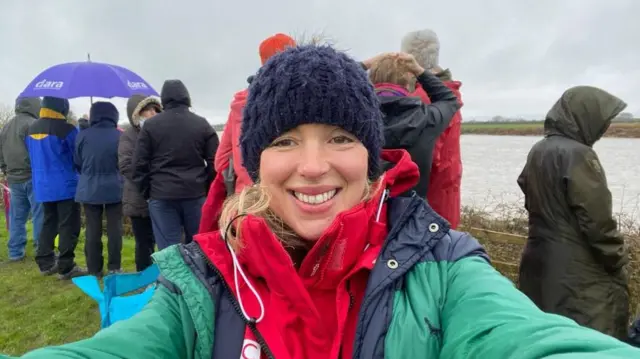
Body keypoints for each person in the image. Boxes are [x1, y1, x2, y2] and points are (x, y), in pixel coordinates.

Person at [9, 44, 640, 359]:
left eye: (339, 137)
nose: (313, 165)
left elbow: (533, 339)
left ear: (371, 156)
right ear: (255, 165)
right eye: (285, 140)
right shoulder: (203, 287)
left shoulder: (443, 272)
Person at [517, 85, 630, 340]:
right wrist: (618, 260)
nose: (605, 128)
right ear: (586, 116)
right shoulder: (580, 155)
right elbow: (597, 223)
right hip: (578, 275)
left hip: (538, 264)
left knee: (547, 340)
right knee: (590, 342)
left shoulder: (539, 149)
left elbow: (529, 197)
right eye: (603, 120)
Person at [132, 80, 219, 250]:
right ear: (187, 97)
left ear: (164, 100)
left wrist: (148, 192)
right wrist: (206, 187)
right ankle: (198, 277)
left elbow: (139, 164)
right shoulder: (201, 124)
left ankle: (173, 278)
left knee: (169, 251)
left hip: (161, 193)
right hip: (194, 193)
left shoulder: (151, 126)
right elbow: (215, 162)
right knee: (198, 247)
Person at [367, 52, 459, 199]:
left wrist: (363, 66)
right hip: (411, 214)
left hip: (365, 213)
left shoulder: (355, 117)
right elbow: (449, 100)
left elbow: (321, 89)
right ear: (408, 82)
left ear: (370, 80)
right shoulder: (426, 119)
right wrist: (420, 71)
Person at [215, 33, 297, 195]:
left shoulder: (240, 104)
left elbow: (221, 161)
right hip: (290, 198)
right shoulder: (301, 98)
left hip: (246, 200)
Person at [401, 29, 464, 229]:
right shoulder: (448, 95)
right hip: (445, 197)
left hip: (427, 205)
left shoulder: (422, 100)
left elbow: (419, 161)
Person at [25, 96, 84, 279]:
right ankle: (66, 266)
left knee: (48, 223)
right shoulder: (67, 129)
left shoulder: (31, 129)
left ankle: (45, 262)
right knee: (69, 226)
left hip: (42, 185)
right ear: (62, 108)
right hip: (66, 184)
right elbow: (78, 156)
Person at [74, 101, 124, 276]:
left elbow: (77, 162)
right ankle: (114, 267)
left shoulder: (83, 135)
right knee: (114, 229)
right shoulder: (119, 136)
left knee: (92, 230)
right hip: (115, 188)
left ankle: (94, 269)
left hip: (89, 188)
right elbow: (123, 163)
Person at [119, 94, 162, 272]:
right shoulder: (128, 137)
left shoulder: (163, 131)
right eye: (146, 110)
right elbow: (126, 165)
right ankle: (144, 278)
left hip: (162, 196)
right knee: (144, 243)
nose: (152, 113)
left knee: (165, 242)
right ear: (136, 114)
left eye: (154, 109)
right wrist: (149, 181)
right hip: (138, 198)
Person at [0, 97, 43, 261]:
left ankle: (15, 253)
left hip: (13, 177)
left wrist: (5, 169)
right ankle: (41, 249)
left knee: (17, 216)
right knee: (40, 213)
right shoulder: (33, 124)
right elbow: (37, 151)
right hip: (32, 176)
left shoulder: (6, 127)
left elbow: (1, 153)